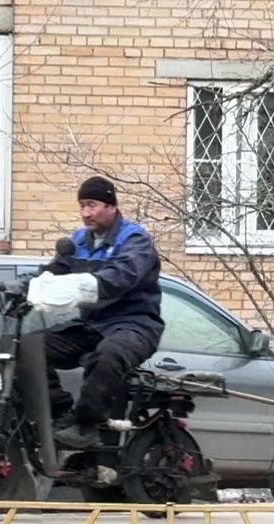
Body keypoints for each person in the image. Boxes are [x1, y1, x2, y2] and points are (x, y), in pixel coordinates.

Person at [42, 176, 166, 450]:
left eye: (92, 205)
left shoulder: (134, 239)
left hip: (134, 325)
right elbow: (54, 270)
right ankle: (60, 416)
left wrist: (85, 284)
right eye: (82, 205)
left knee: (108, 355)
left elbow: (122, 275)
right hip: (93, 325)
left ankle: (86, 426)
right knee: (30, 346)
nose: (86, 213)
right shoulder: (78, 241)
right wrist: (24, 286)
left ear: (111, 206)